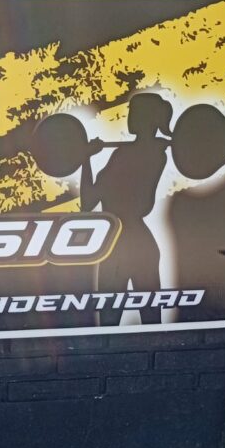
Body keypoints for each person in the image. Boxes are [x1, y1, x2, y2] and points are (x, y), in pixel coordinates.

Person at [80, 93, 173, 326]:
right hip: (122, 241)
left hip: (127, 240)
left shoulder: (146, 154)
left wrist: (86, 157)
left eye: (134, 112)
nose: (129, 117)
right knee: (112, 322)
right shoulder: (135, 152)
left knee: (145, 321)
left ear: (146, 117)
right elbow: (88, 202)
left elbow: (90, 201)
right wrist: (85, 158)